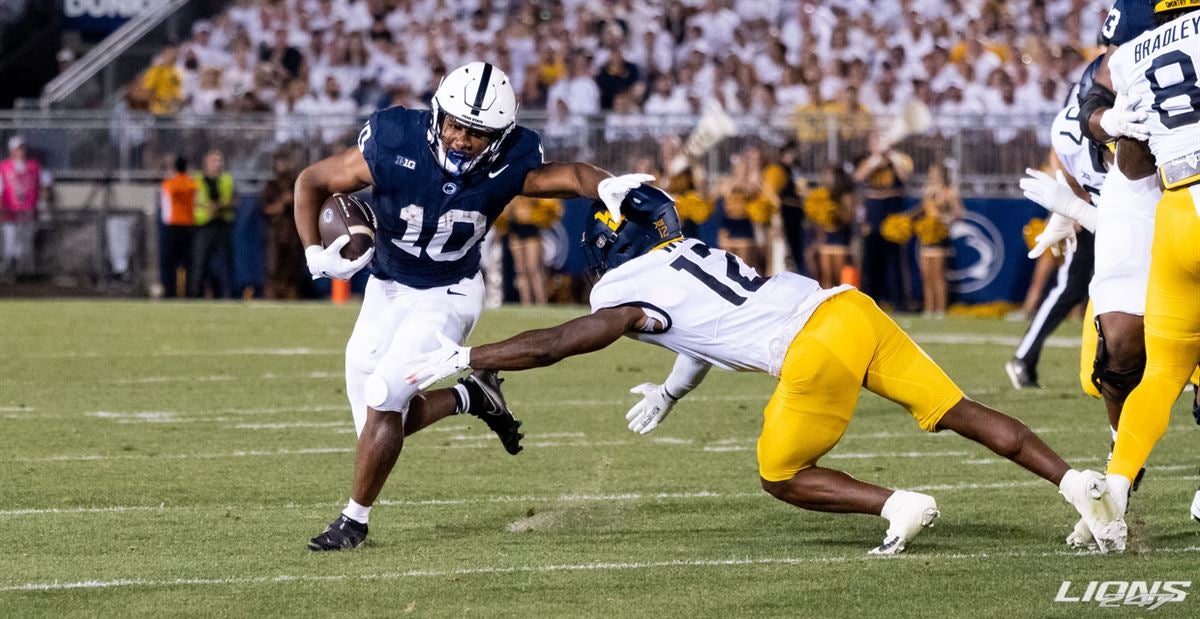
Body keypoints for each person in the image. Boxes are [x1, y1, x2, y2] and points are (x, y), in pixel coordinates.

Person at [405, 185, 1124, 555]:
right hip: (849, 310)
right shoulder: (685, 255)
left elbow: (562, 340)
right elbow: (701, 330)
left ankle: (896, 504)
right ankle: (1080, 484)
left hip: (809, 350)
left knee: (780, 475)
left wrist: (472, 355)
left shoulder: (620, 289)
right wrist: (670, 390)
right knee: (959, 408)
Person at [294, 61, 652, 551]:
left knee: (384, 395)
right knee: (379, 424)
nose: (461, 139)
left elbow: (569, 175)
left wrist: (604, 184)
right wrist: (315, 252)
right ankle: (473, 397)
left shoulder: (513, 160)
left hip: (449, 294)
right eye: (455, 125)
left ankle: (353, 523)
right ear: (438, 113)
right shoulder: (395, 137)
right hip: (388, 285)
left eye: (478, 133)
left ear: (500, 137)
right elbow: (311, 180)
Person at [1087, 1, 1200, 550]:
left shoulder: (1134, 53)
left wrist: (1112, 122)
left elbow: (1133, 165)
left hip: (1177, 212)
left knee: (1163, 371)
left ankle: (1112, 491)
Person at [1009, 80, 1104, 391]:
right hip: (1086, 211)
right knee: (1069, 288)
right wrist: (1071, 207)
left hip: (1105, 208)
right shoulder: (1081, 101)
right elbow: (1060, 160)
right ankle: (1023, 357)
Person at [854, 134, 913, 311]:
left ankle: (899, 302)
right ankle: (871, 301)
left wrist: (892, 157)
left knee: (895, 262)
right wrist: (875, 159)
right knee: (871, 263)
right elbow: (859, 177)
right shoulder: (868, 161)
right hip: (873, 216)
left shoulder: (899, 160)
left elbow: (904, 177)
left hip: (892, 215)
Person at [0, 135, 53, 282]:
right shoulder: (4, 167)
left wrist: (44, 200)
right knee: (10, 244)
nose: (21, 151)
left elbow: (46, 183)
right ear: (12, 150)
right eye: (18, 148)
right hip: (10, 212)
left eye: (23, 148)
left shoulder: (34, 166)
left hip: (28, 211)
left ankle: (24, 274)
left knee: (25, 245)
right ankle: (9, 272)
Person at [914, 161, 963, 318]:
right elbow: (923, 211)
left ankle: (941, 310)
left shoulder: (949, 192)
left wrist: (944, 219)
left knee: (938, 277)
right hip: (926, 238)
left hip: (940, 238)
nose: (931, 176)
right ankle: (929, 309)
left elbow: (960, 213)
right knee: (926, 276)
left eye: (934, 173)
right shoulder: (927, 192)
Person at [189, 150, 236, 298]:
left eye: (219, 161)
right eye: (214, 161)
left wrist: (220, 206)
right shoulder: (196, 179)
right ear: (206, 162)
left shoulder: (227, 179)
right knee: (199, 263)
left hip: (222, 224)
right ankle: (195, 296)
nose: (218, 164)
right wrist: (208, 207)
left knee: (225, 264)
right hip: (203, 226)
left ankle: (227, 296)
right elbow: (194, 201)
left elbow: (233, 200)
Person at [159, 156, 197, 298]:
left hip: (172, 225)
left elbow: (164, 205)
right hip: (188, 225)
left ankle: (170, 292)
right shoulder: (192, 184)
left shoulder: (169, 184)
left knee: (169, 263)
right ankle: (187, 292)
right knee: (188, 263)